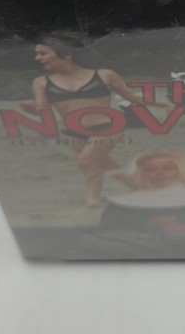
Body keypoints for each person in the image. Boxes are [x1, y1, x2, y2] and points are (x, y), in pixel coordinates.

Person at [19, 36, 172, 208]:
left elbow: (133, 98)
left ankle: (93, 199)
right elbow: (44, 110)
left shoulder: (105, 75)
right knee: (103, 163)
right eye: (37, 54)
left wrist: (164, 103)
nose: (37, 58)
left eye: (43, 53)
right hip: (70, 132)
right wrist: (31, 108)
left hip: (108, 127)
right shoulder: (41, 82)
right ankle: (143, 187)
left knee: (87, 161)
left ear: (67, 54)